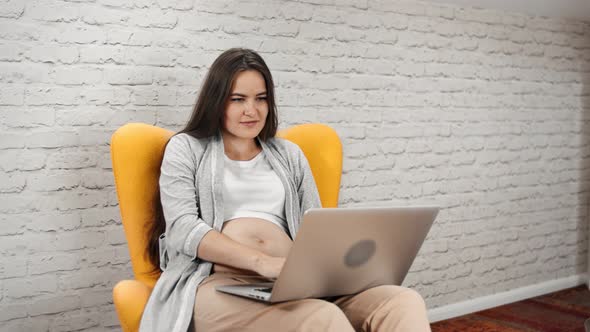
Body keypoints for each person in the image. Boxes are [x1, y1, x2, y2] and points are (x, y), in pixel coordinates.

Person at [140, 48, 432, 332]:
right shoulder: (187, 149)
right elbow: (182, 229)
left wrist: (339, 269)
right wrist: (263, 263)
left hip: (296, 282)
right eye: (238, 99)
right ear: (217, 101)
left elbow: (317, 225)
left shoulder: (289, 154)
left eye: (261, 99)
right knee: (319, 318)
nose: (251, 110)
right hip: (217, 283)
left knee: (402, 301)